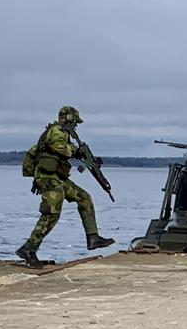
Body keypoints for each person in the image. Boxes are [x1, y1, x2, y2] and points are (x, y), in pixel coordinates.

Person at [16, 106, 115, 268]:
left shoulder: (63, 133)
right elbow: (58, 147)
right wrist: (76, 151)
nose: (76, 125)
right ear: (68, 118)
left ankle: (93, 237)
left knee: (84, 198)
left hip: (58, 177)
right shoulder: (57, 131)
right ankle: (28, 249)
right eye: (75, 122)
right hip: (49, 179)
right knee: (51, 214)